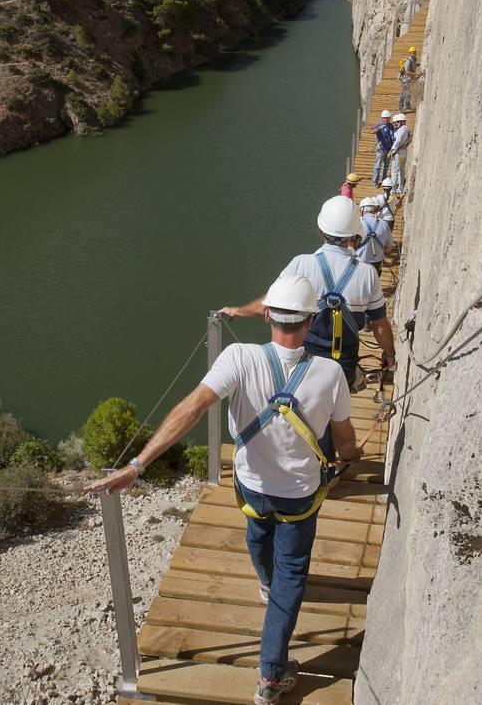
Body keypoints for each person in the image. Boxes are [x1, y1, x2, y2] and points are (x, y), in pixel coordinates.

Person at [87, 274, 362, 705]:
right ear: (310, 322)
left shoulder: (238, 357)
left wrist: (139, 464)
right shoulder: (329, 373)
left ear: (268, 315)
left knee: (258, 533)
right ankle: (272, 675)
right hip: (301, 496)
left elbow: (192, 408)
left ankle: (265, 582)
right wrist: (349, 456)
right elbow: (343, 440)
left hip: (251, 486)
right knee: (292, 575)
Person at [220, 196, 396, 392]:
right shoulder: (367, 274)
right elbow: (379, 326)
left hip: (306, 362)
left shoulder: (301, 264)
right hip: (344, 366)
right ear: (355, 234)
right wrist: (389, 354)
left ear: (321, 230)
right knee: (337, 412)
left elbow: (267, 305)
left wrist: (237, 311)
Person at [357, 197, 394, 276]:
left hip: (361, 261)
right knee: (374, 282)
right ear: (374, 209)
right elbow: (389, 246)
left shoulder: (357, 224)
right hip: (377, 262)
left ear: (362, 209)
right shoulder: (384, 224)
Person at [370, 111, 394, 187]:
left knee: (386, 167)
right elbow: (372, 132)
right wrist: (378, 129)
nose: (385, 120)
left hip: (388, 150)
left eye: (387, 118)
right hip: (380, 150)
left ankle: (384, 180)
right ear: (382, 118)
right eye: (384, 118)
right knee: (377, 166)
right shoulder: (379, 125)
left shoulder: (391, 126)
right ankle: (375, 182)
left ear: (389, 118)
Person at [390, 113, 411, 195]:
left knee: (394, 171)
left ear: (402, 122)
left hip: (398, 153)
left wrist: (393, 150)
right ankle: (400, 187)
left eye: (398, 122)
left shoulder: (401, 130)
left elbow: (397, 141)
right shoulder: (407, 129)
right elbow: (409, 139)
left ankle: (393, 189)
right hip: (404, 153)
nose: (397, 123)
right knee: (401, 170)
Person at [398, 46, 417, 112]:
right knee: (405, 92)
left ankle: (408, 105)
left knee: (410, 92)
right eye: (412, 53)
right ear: (409, 53)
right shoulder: (408, 61)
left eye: (414, 53)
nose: (413, 54)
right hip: (406, 79)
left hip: (411, 79)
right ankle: (401, 107)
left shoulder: (414, 60)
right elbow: (407, 71)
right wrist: (415, 74)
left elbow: (414, 65)